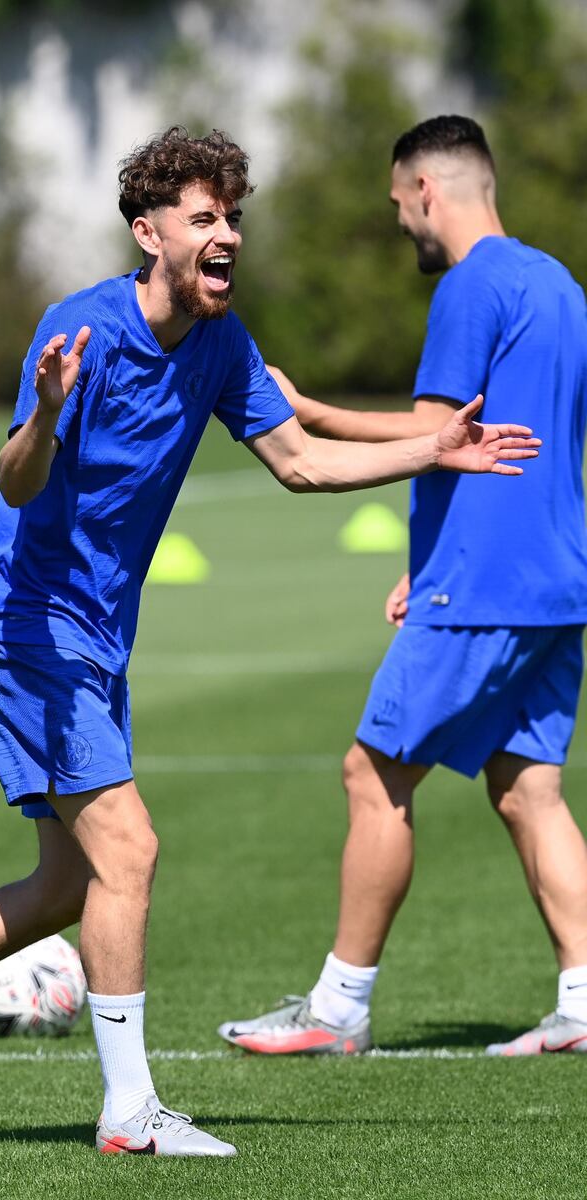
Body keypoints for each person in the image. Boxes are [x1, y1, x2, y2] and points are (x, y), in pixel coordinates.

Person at [0, 126, 538, 1157]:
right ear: (149, 233)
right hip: (24, 627)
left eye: (232, 216)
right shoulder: (81, 332)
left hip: (96, 638)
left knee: (68, 883)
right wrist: (47, 416)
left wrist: (432, 448)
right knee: (130, 850)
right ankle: (128, 1112)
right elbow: (15, 480)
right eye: (204, 217)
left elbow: (299, 464)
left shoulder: (222, 346)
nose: (226, 233)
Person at [218, 114, 587, 1060]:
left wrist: (307, 411)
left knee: (372, 773)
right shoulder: (560, 285)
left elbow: (439, 437)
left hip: (488, 584)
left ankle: (337, 1010)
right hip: (556, 578)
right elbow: (515, 443)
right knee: (528, 790)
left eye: (397, 205)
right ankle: (585, 1001)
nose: (400, 226)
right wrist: (419, 564)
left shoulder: (470, 287)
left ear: (429, 189)